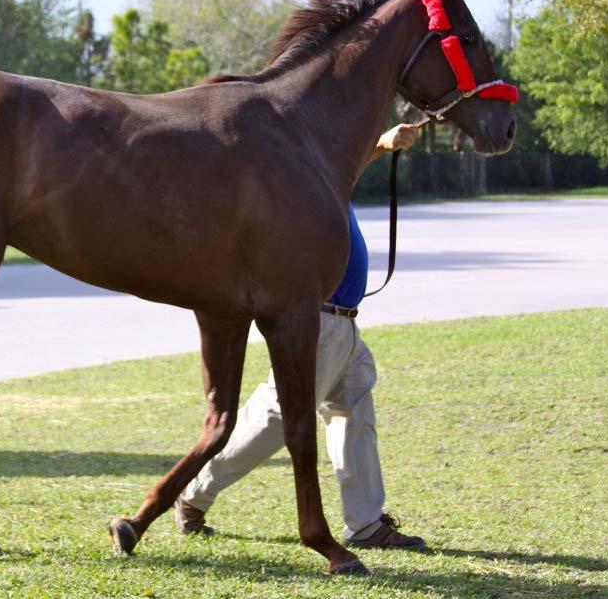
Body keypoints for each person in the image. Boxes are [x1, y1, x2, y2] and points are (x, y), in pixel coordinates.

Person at [174, 123, 425, 550]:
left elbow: (352, 161)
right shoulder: (298, 176)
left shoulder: (326, 171)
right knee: (276, 416)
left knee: (353, 409)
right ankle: (192, 494)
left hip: (343, 322)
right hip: (318, 319)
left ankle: (365, 523)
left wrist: (382, 142)